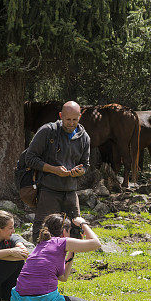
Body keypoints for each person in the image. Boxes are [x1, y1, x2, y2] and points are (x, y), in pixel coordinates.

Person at [10, 213, 100, 301]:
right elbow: (96, 243)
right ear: (64, 231)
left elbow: (63, 278)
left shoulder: (40, 246)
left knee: (42, 300)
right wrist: (83, 224)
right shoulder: (61, 242)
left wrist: (71, 253)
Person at [24, 101, 90, 243]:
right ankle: (39, 262)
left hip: (71, 191)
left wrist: (80, 171)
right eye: (67, 119)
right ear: (60, 115)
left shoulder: (84, 137)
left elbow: (86, 165)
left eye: (75, 119)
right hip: (49, 190)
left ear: (80, 116)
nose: (71, 123)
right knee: (43, 231)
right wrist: (53, 170)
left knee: (75, 230)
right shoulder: (47, 131)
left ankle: (68, 263)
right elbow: (29, 158)